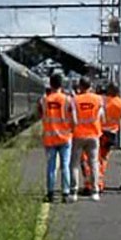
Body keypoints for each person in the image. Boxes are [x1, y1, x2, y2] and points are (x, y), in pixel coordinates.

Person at [39, 72, 76, 204]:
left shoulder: (44, 100)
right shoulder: (67, 99)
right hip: (65, 138)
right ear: (62, 84)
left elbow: (41, 115)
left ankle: (50, 193)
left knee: (51, 167)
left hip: (49, 138)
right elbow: (74, 119)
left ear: (50, 84)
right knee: (65, 165)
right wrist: (71, 129)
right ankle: (65, 193)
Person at [71, 77, 104, 201]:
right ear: (91, 86)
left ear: (80, 86)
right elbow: (101, 116)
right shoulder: (98, 99)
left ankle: (73, 191)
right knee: (94, 163)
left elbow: (73, 119)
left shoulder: (75, 100)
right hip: (94, 134)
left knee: (74, 164)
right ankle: (95, 191)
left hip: (78, 135)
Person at [100, 82, 121, 190]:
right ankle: (99, 180)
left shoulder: (102, 101)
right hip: (112, 132)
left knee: (97, 158)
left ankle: (98, 181)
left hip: (101, 131)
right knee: (104, 157)